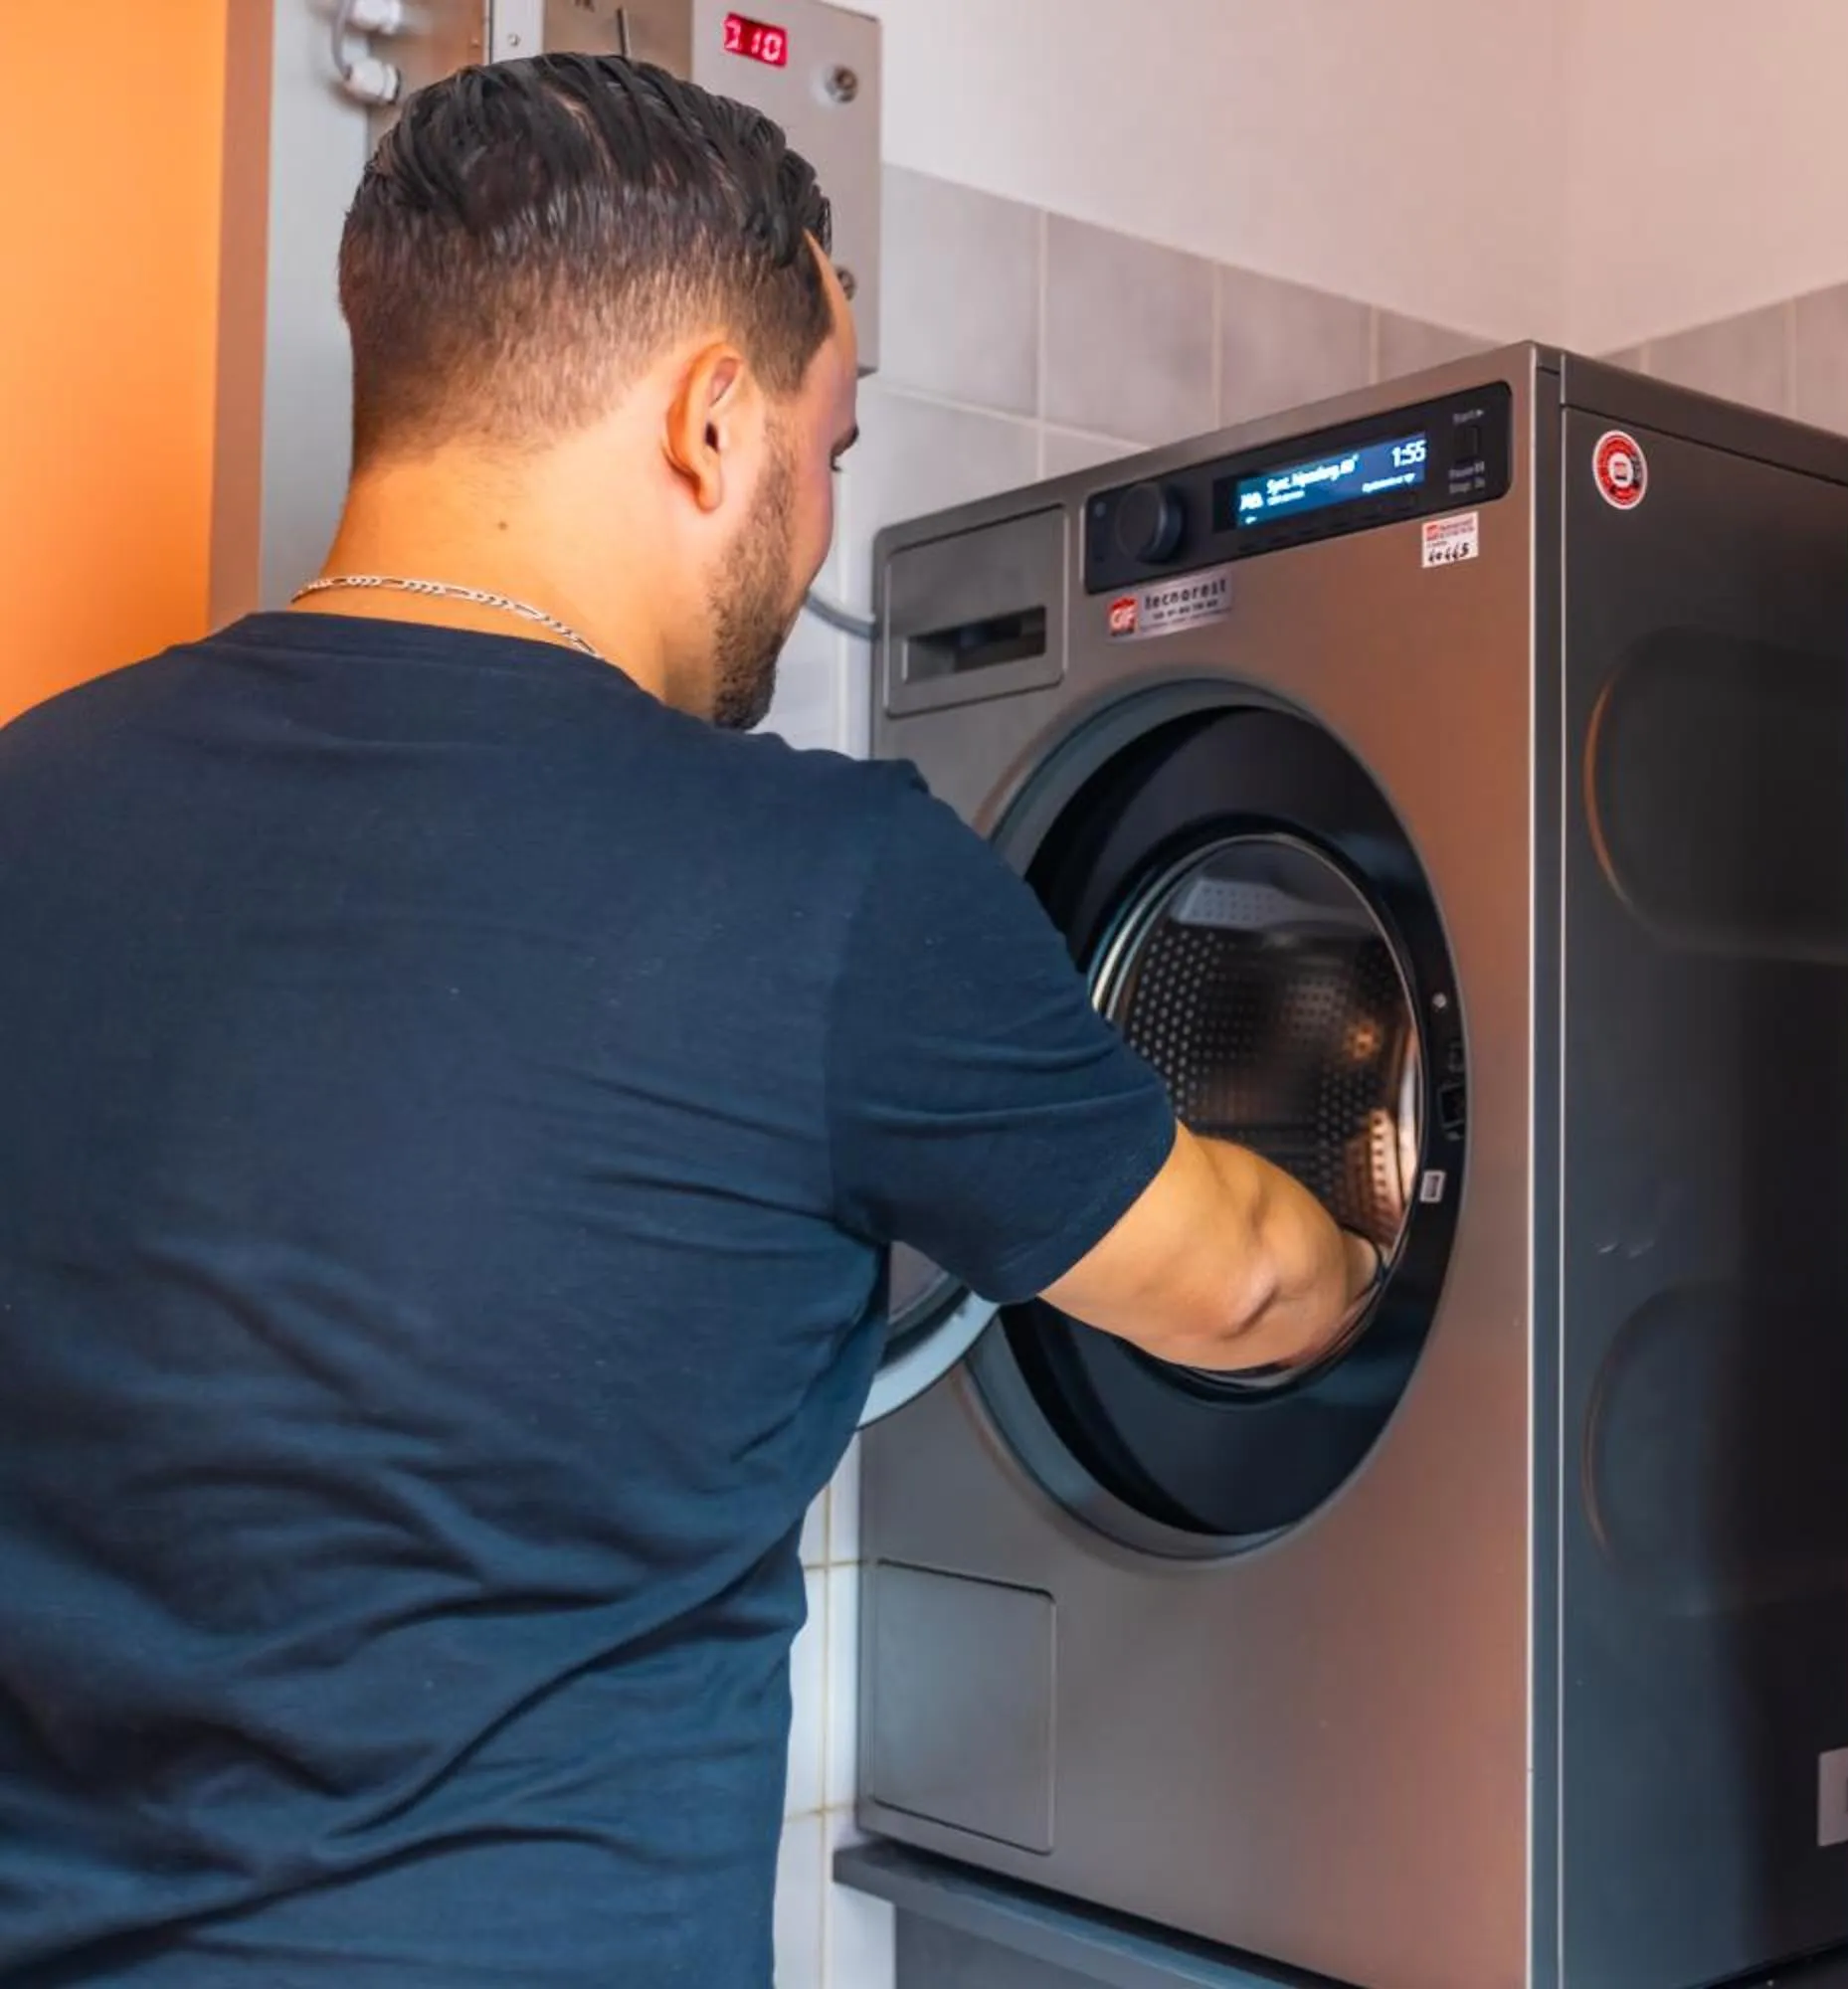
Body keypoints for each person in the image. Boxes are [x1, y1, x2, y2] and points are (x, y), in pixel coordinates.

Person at [0, 53, 1378, 1987]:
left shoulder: (34, 798)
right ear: (712, 422)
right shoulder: (828, 884)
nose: (818, 529)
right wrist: (1395, 1199)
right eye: (830, 449)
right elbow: (1246, 1287)